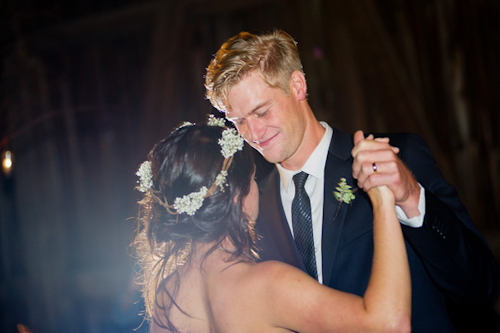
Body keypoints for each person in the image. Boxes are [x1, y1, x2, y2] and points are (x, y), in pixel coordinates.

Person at [204, 29, 499, 332]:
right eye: (238, 121)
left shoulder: (398, 157)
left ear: (297, 85)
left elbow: (480, 285)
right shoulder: (253, 209)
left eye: (262, 112)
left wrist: (412, 196)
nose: (253, 133)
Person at [133, 118, 411, 332]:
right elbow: (388, 324)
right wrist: (383, 199)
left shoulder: (167, 298)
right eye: (253, 179)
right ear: (237, 197)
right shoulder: (267, 284)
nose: (257, 188)